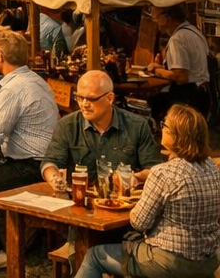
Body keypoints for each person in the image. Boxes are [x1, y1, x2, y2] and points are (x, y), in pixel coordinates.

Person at [74, 104, 220, 278]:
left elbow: (139, 222)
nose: (161, 129)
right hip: (207, 261)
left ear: (177, 136)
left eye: (164, 125)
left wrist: (136, 202)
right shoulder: (213, 169)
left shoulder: (163, 173)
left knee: (94, 256)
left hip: (167, 262)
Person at [0, 31, 61, 274]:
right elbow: (17, 122)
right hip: (48, 160)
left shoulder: (12, 88)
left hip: (33, 166)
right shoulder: (34, 80)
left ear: (0, 56)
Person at [40, 69, 161, 189]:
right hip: (80, 199)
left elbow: (155, 170)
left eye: (91, 99)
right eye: (80, 98)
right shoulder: (66, 126)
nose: (84, 104)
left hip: (121, 202)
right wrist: (54, 177)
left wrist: (135, 177)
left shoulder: (137, 125)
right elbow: (50, 162)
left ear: (109, 98)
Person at [150, 4, 212, 123]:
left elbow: (181, 77)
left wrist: (156, 71)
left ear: (167, 17)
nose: (156, 22)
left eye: (156, 17)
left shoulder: (177, 39)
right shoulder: (194, 31)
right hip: (202, 95)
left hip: (188, 98)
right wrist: (163, 67)